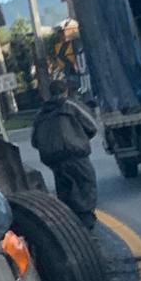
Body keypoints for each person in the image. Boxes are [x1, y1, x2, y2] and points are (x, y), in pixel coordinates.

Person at [31, 80, 99, 229]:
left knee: (65, 190)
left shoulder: (40, 114)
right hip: (75, 154)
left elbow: (35, 141)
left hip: (53, 159)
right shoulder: (70, 106)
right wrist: (79, 137)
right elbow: (92, 126)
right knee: (86, 185)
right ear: (65, 91)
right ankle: (86, 222)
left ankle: (72, 223)